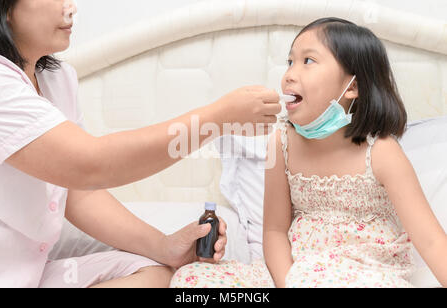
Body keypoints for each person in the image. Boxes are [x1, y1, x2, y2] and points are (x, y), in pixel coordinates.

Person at [0, 0, 281, 287]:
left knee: (155, 275)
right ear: (5, 10)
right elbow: (90, 164)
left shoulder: (57, 78)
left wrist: (164, 247)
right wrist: (218, 118)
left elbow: (78, 192)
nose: (70, 8)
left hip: (31, 273)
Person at [169, 17, 447, 288]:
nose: (290, 74)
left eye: (308, 61)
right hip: (298, 272)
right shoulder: (281, 142)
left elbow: (432, 241)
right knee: (192, 279)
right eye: (290, 61)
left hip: (366, 272)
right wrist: (288, 281)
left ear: (352, 87)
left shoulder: (382, 152)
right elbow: (275, 231)